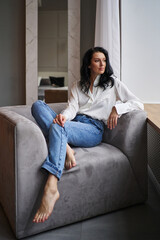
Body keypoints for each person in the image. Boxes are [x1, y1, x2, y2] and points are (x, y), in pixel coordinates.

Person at [31, 47, 144, 223]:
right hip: (75, 123)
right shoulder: (78, 85)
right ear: (89, 64)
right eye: (97, 60)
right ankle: (66, 146)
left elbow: (138, 103)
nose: (102, 64)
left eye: (104, 60)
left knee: (56, 128)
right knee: (38, 105)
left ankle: (52, 184)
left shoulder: (112, 83)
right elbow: (72, 108)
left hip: (93, 129)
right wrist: (63, 117)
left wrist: (117, 108)